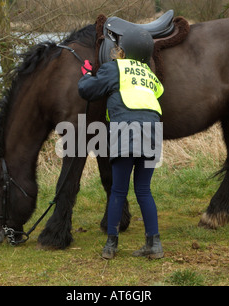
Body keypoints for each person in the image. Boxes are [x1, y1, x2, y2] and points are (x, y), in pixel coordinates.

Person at [78, 40, 164, 260]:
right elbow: (158, 93)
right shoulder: (147, 73)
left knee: (118, 190)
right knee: (144, 189)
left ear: (121, 53)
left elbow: (87, 90)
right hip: (153, 129)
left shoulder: (114, 68)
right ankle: (154, 246)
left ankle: (110, 246)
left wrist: (87, 74)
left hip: (126, 128)